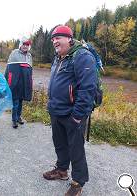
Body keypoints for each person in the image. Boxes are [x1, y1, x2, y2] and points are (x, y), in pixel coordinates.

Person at [43, 25, 97, 196]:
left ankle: (78, 182)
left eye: (58, 37)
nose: (54, 41)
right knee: (60, 144)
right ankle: (61, 170)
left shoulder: (82, 56)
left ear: (69, 38)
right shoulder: (59, 57)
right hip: (56, 110)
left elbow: (87, 89)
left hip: (72, 114)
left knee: (76, 149)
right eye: (53, 39)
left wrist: (77, 116)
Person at [5, 37, 33, 129]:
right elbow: (9, 69)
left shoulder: (29, 56)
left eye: (27, 45)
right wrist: (7, 82)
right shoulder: (14, 53)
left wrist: (30, 82)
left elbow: (29, 71)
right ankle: (14, 120)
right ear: (21, 45)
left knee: (21, 102)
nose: (25, 46)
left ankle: (18, 117)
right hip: (15, 83)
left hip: (24, 83)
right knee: (15, 102)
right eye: (24, 44)